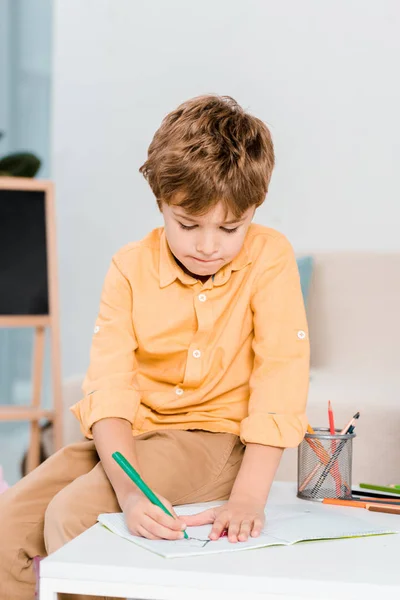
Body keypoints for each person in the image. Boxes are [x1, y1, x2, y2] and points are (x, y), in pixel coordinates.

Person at [0, 95, 310, 600]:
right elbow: (111, 386)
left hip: (217, 440)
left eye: (230, 228)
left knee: (72, 514)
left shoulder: (269, 258)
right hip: (137, 436)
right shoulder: (128, 267)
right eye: (188, 225)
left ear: (255, 209)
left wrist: (249, 499)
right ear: (161, 203)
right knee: (8, 524)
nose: (208, 245)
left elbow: (281, 377)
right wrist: (128, 490)